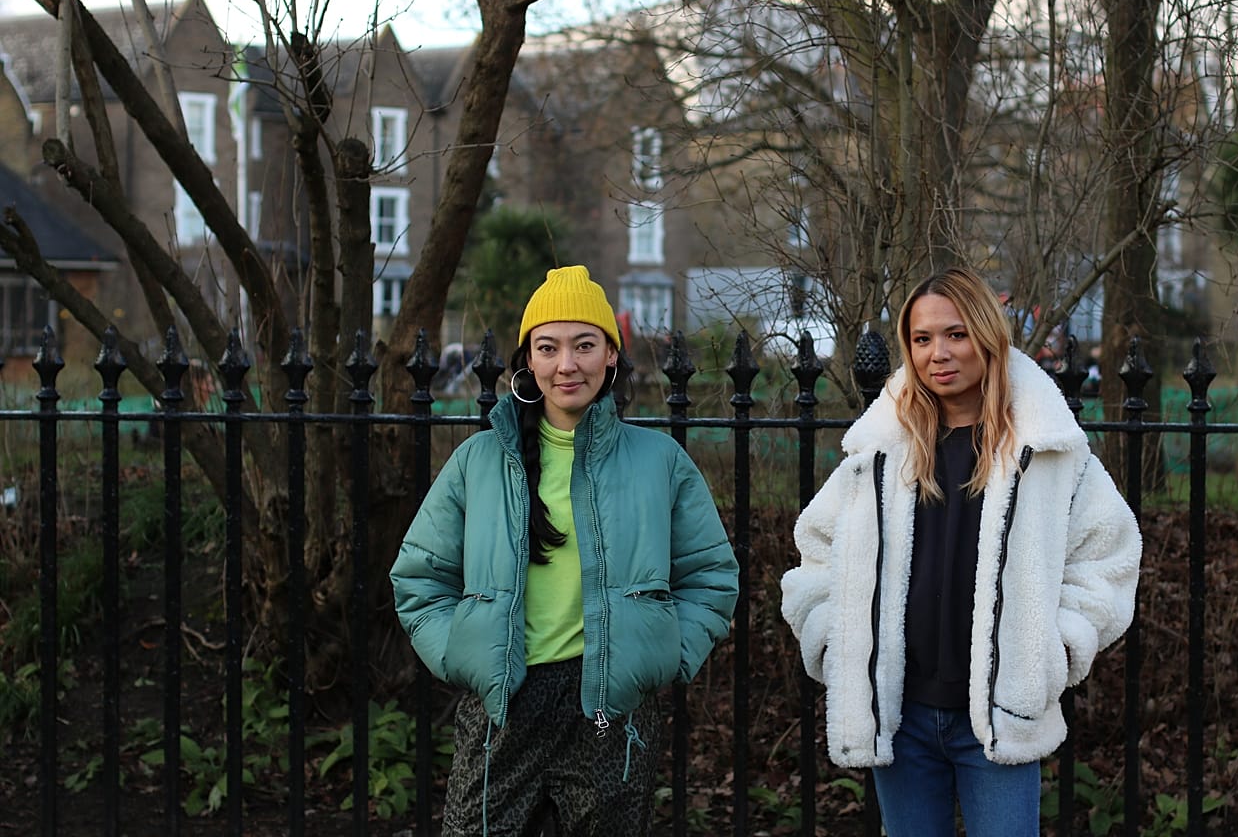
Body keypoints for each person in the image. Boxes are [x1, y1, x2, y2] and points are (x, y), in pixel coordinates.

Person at [780, 267, 1142, 837]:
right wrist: (836, 642)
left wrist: (1054, 654)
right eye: (922, 339)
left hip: (1000, 720)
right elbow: (817, 554)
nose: (938, 354)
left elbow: (1108, 555)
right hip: (901, 718)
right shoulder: (881, 451)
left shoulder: (1046, 450)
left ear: (987, 336)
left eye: (956, 334)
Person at [391, 265, 739, 837]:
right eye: (548, 348)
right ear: (528, 361)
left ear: (611, 354)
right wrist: (459, 655)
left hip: (607, 711)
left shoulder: (659, 462)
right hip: (506, 703)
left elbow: (711, 575)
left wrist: (665, 653)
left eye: (584, 345)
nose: (566, 364)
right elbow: (419, 577)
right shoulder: (479, 461)